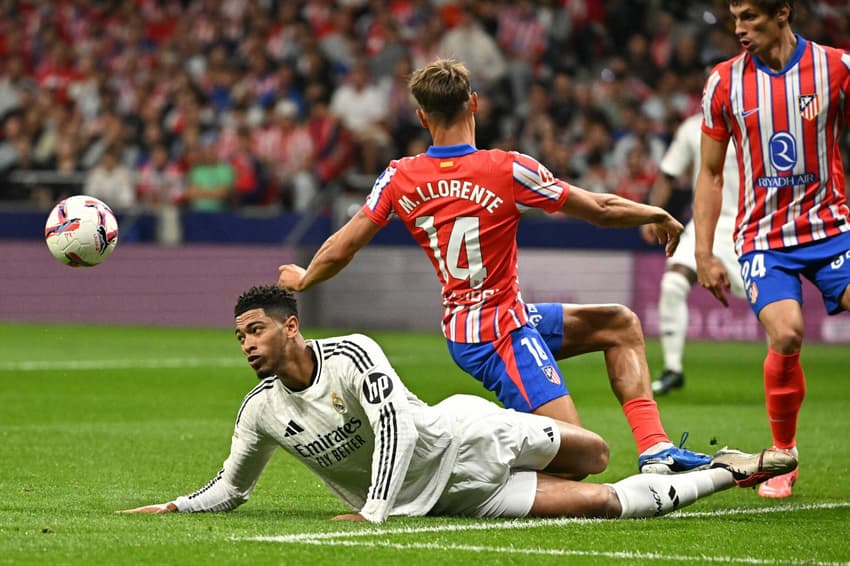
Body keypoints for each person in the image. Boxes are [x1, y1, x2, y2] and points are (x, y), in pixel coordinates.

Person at [278, 58, 712, 474]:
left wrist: (306, 277)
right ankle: (462, 464)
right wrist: (656, 213)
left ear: (422, 117)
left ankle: (656, 449)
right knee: (582, 456)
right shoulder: (508, 168)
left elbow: (342, 246)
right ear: (474, 103)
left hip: (484, 324)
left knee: (620, 324)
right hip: (498, 334)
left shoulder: (399, 177)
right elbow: (599, 208)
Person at [119, 285, 796, 522]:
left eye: (256, 330)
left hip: (463, 439)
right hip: (453, 499)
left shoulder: (352, 353)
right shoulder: (261, 409)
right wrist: (175, 506)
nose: (247, 345)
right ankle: (728, 469)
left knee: (596, 456)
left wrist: (375, 512)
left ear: (290, 327)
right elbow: (232, 487)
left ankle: (679, 459)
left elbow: (394, 434)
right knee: (601, 504)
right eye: (240, 336)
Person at [695, 0, 850, 498]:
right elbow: (712, 172)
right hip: (765, 237)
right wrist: (704, 252)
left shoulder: (836, 68)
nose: (738, 29)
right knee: (786, 334)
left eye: (750, 18)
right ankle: (783, 456)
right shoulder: (724, 82)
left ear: (782, 12)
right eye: (734, 19)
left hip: (831, 227)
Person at [640, 113, 746, 395]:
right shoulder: (692, 127)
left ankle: (786, 371)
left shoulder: (759, 114)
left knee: (772, 305)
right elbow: (667, 174)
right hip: (705, 222)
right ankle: (673, 369)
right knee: (673, 283)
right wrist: (654, 214)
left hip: (752, 224)